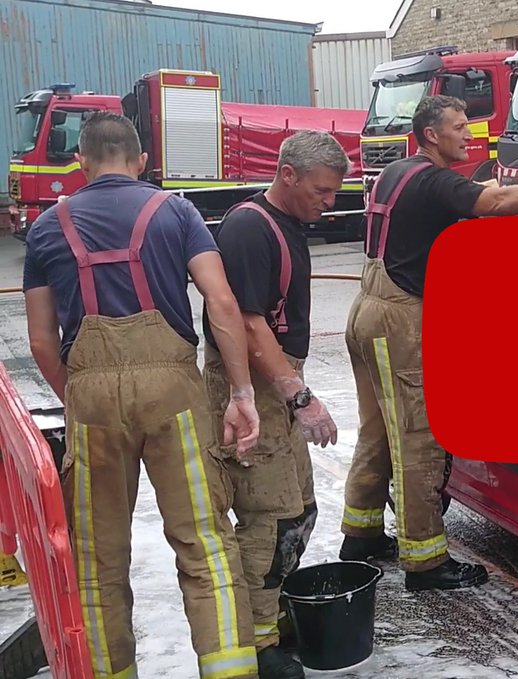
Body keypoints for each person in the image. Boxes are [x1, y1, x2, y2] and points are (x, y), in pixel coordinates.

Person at [338, 94, 518, 589]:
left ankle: (360, 536)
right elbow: (491, 202)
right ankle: (425, 562)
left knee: (378, 430)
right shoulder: (433, 180)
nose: (469, 136)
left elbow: (479, 191)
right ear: (431, 134)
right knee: (417, 439)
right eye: (457, 128)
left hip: (367, 313)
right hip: (399, 320)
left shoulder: (400, 171)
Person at [22, 111, 260, 679]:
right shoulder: (174, 210)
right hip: (173, 393)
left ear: (79, 162)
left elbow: (40, 339)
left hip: (92, 398)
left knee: (98, 557)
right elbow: (222, 305)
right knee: (203, 540)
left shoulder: (47, 228)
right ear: (142, 162)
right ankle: (229, 670)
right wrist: (241, 392)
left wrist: (78, 395)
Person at [200, 129, 346, 678]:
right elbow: (248, 321)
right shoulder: (247, 228)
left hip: (278, 376)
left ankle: (272, 613)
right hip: (255, 382)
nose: (330, 202)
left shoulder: (287, 222)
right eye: (322, 190)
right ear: (287, 174)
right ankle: (257, 644)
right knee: (269, 516)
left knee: (299, 510)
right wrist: (299, 396)